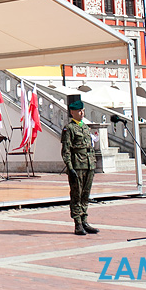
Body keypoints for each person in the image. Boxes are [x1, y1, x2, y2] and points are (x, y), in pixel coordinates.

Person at [62, 100, 98, 236]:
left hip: (89, 164)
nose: (81, 113)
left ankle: (84, 220)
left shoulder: (85, 127)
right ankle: (77, 223)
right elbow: (66, 150)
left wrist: (93, 163)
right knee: (76, 194)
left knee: (85, 194)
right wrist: (69, 167)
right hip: (77, 165)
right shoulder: (69, 128)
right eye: (79, 111)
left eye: (82, 110)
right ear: (72, 112)